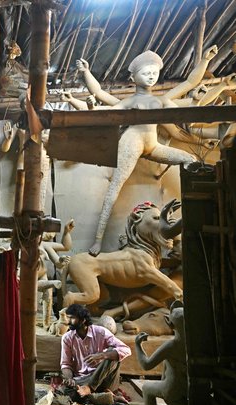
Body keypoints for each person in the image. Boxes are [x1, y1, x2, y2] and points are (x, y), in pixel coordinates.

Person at [67, 47, 219, 256]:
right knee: (114, 189)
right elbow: (103, 99)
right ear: (133, 76)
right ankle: (98, 240)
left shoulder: (161, 100)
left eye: (154, 73)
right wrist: (87, 76)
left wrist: (204, 59)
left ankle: (196, 208)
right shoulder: (130, 101)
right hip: (132, 142)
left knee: (189, 159)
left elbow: (189, 84)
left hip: (153, 144)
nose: (151, 75)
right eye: (146, 72)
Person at [60, 304, 131, 400]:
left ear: (83, 320)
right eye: (68, 318)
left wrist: (102, 355)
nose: (68, 321)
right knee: (66, 391)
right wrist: (69, 379)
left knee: (112, 353)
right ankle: (107, 397)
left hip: (105, 380)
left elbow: (126, 350)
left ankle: (90, 389)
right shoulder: (67, 338)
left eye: (72, 318)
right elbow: (66, 364)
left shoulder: (101, 332)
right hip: (83, 380)